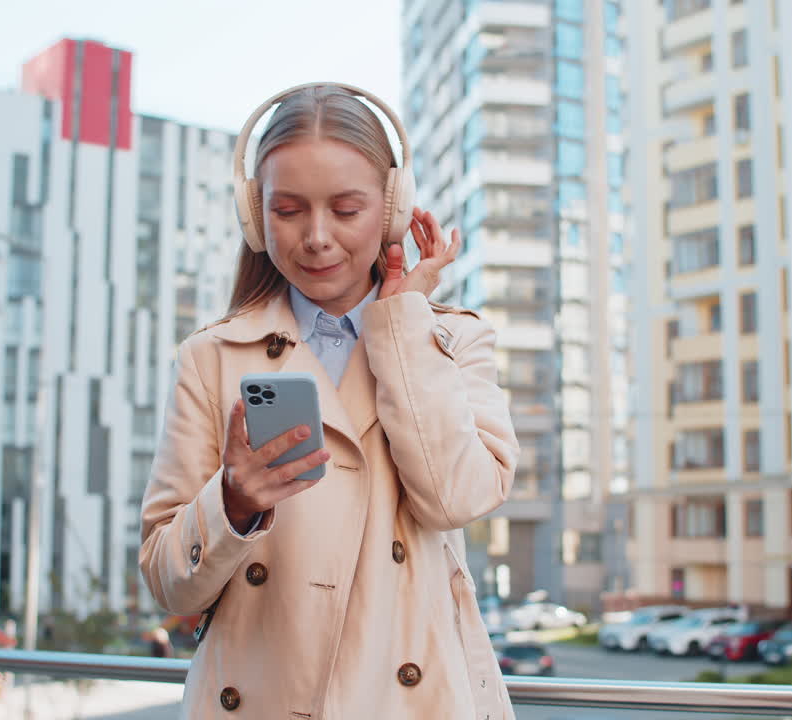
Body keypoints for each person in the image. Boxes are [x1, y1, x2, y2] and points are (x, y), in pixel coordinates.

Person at [139, 83, 519, 719]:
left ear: (393, 211)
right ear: (255, 217)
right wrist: (232, 504)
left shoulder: (454, 340)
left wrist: (402, 325)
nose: (317, 238)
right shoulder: (211, 357)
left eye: (346, 209)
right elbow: (166, 579)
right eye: (288, 210)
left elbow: (457, 499)